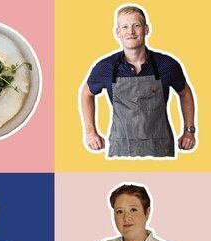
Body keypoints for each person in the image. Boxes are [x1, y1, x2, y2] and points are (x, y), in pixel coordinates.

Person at [80, 5, 197, 158]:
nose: (131, 32)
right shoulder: (105, 67)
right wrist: (90, 132)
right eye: (125, 27)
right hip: (121, 149)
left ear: (146, 29)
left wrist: (189, 131)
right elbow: (86, 93)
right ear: (118, 32)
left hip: (160, 149)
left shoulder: (167, 65)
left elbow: (185, 93)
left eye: (136, 25)